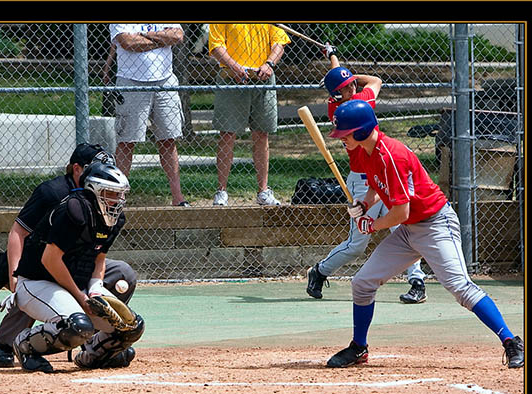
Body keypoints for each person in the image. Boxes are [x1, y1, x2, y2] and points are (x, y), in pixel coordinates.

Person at [324, 99, 524, 369]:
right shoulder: (363, 151)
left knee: (461, 289)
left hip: (435, 225)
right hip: (409, 232)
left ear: (360, 132)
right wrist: (364, 205)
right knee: (362, 283)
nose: (341, 140)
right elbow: (374, 185)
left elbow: (400, 214)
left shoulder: (391, 155)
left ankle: (511, 341)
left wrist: (370, 225)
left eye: (344, 134)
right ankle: (359, 347)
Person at [0, 143, 138, 369]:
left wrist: (95, 291)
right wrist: (14, 276)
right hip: (42, 265)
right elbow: (19, 232)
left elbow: (99, 255)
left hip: (76, 262)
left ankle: (96, 344)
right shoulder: (54, 193)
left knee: (123, 274)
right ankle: (7, 344)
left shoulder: (110, 211)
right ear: (78, 169)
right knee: (31, 289)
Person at [306, 45, 427, 304]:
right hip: (363, 182)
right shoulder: (360, 104)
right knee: (356, 245)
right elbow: (376, 80)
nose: (351, 89)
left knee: (403, 229)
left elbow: (339, 82)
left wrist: (334, 61)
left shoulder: (336, 101)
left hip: (384, 173)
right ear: (336, 96)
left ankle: (417, 281)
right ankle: (319, 271)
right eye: (346, 88)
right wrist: (347, 72)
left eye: (352, 85)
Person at [208, 24, 290, 206]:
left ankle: (263, 191)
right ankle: (221, 191)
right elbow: (215, 46)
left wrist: (269, 64)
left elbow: (279, 41)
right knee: (227, 134)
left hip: (264, 78)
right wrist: (234, 67)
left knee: (262, 134)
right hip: (231, 78)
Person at [109, 23, 189, 207]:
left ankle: (178, 197)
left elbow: (177, 36)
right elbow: (128, 42)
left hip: (165, 81)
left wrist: (146, 35)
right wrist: (162, 39)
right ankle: (117, 198)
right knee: (127, 142)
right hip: (131, 82)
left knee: (168, 140)